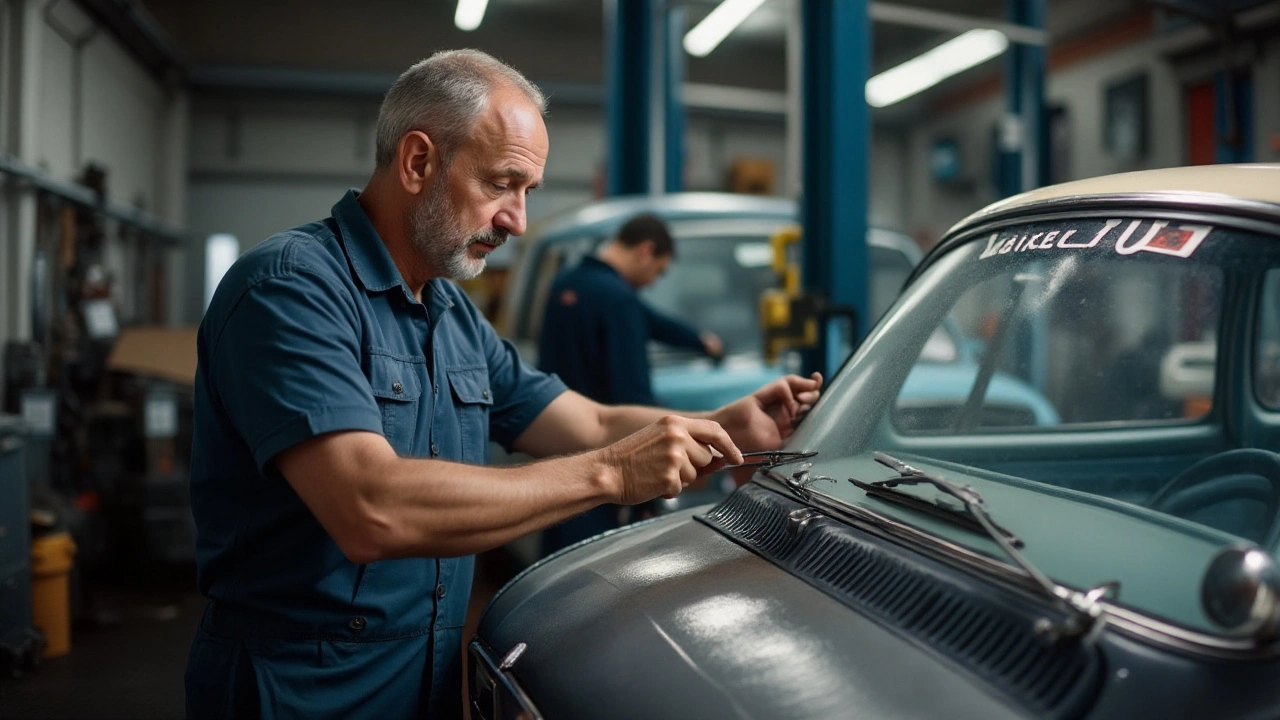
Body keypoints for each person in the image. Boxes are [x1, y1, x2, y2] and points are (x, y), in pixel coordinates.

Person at [184, 49, 822, 720]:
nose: (516, 219)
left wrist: (721, 423)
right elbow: (371, 508)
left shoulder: (449, 313)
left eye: (528, 192)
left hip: (419, 686)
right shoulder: (290, 290)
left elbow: (589, 423)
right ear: (418, 162)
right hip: (298, 695)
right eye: (501, 184)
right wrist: (609, 476)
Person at [536, 213, 726, 553]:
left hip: (553, 449)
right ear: (646, 251)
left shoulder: (567, 282)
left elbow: (649, 319)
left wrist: (700, 341)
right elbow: (633, 394)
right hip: (605, 460)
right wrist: (648, 491)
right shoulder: (619, 300)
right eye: (659, 270)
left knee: (556, 559)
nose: (654, 281)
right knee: (592, 567)